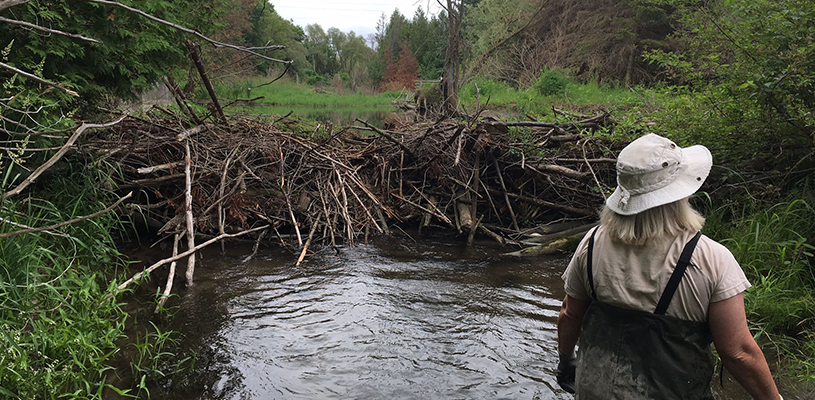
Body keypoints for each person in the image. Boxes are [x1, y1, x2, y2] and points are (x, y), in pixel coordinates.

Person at [555, 134, 782, 399]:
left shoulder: (592, 243)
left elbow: (570, 314)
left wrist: (566, 360)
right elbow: (738, 353)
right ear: (681, 193)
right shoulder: (711, 259)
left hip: (594, 390)